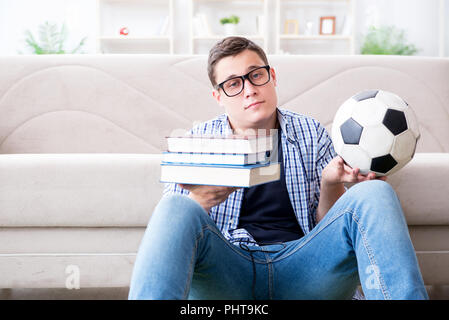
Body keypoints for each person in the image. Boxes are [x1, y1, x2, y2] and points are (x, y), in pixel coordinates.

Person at [128, 36, 428, 300]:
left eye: (255, 75)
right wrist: (200, 201)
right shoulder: (198, 141)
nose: (249, 90)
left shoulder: (310, 132)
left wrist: (330, 182)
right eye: (233, 84)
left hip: (303, 269)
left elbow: (331, 231)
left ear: (271, 76)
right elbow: (171, 235)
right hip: (228, 274)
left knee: (375, 192)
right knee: (175, 207)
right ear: (218, 96)